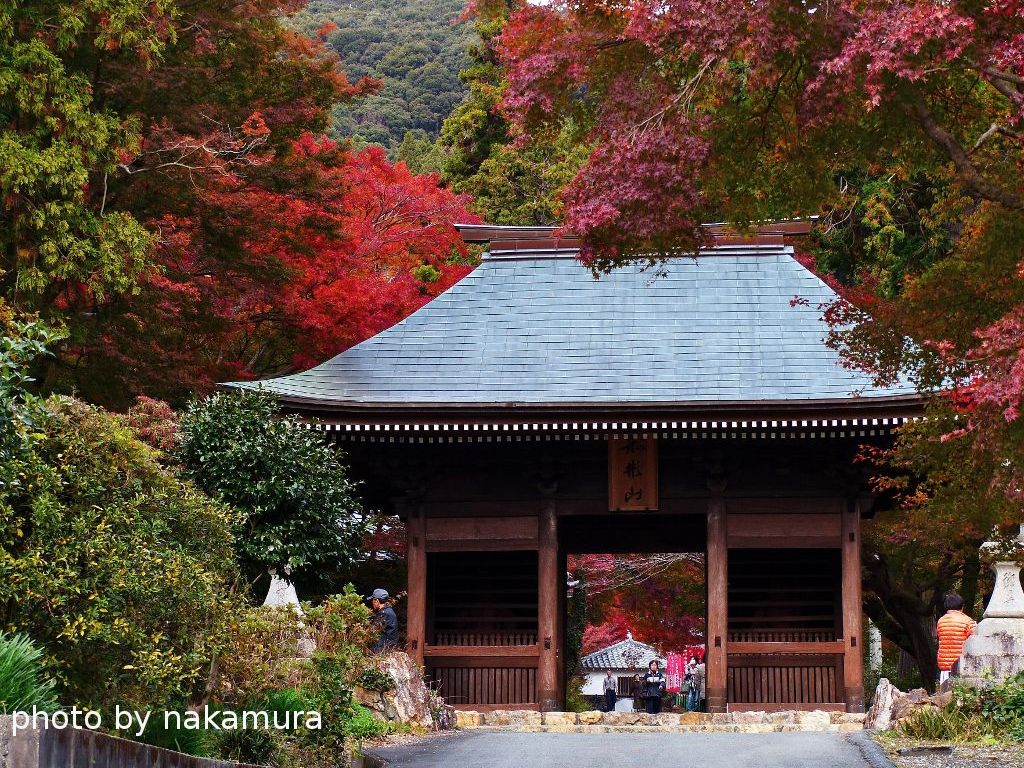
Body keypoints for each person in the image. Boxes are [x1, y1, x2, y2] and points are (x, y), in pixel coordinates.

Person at [936, 593, 977, 684]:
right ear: (962, 606)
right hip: (961, 665)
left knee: (944, 693)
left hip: (945, 666)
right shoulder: (968, 621)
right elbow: (975, 642)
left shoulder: (941, 621)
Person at [368, 588, 398, 653]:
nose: (372, 602)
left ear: (377, 600)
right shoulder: (388, 611)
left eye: (373, 600)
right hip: (388, 648)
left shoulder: (384, 614)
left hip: (383, 650)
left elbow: (373, 631)